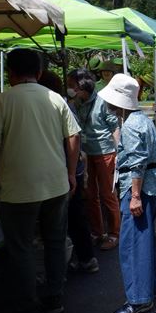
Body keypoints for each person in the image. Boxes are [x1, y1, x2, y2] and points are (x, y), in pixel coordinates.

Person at [0, 49, 80, 313]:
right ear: (39, 72)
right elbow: (73, 137)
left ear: (10, 72)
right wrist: (71, 173)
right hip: (56, 184)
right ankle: (55, 299)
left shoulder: (2, 100)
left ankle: (28, 309)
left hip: (19, 189)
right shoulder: (56, 99)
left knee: (20, 248)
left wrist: (0, 161)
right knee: (55, 242)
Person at [97, 74, 156, 313]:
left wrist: (135, 195)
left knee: (133, 245)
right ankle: (152, 287)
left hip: (140, 188)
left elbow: (137, 162)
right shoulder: (140, 120)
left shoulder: (131, 124)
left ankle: (139, 298)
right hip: (152, 185)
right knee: (145, 240)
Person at [40, 70, 98, 275]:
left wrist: (72, 172)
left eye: (71, 83)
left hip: (67, 171)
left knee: (71, 217)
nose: (70, 87)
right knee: (75, 216)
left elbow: (74, 137)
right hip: (71, 169)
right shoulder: (64, 105)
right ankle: (85, 258)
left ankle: (80, 259)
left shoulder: (60, 106)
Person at [67, 69, 121, 251]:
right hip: (87, 154)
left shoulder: (102, 101)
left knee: (108, 194)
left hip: (106, 153)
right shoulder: (77, 103)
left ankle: (115, 233)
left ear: (82, 85)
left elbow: (115, 127)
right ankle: (98, 232)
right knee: (90, 195)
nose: (70, 90)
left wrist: (118, 152)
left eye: (72, 86)